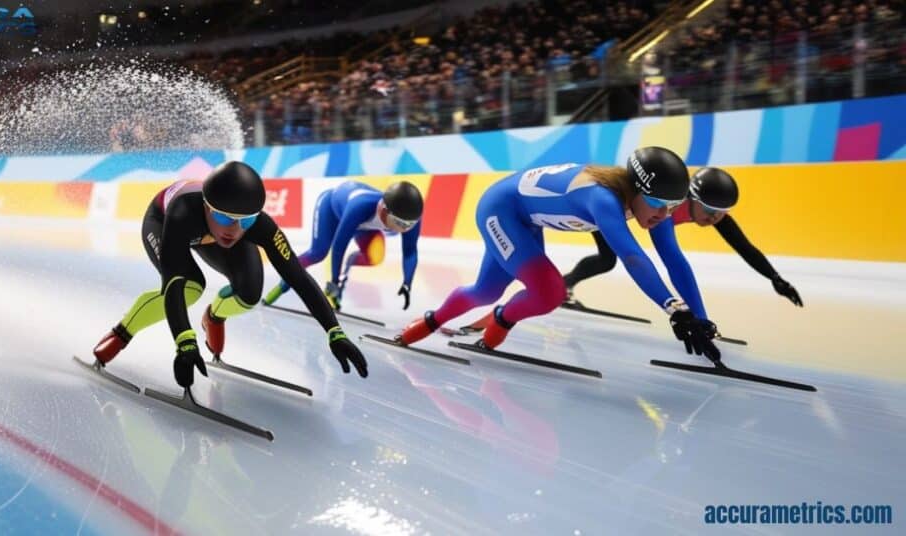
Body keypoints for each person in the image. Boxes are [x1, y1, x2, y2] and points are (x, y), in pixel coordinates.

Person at [397, 147, 722, 362]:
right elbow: (632, 256)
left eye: (674, 207)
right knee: (548, 291)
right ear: (637, 190)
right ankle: (435, 323)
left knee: (487, 289)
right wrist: (675, 309)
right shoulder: (603, 199)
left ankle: (488, 318)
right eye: (658, 204)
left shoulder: (652, 206)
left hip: (525, 216)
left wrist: (702, 317)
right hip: (500, 209)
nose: (664, 214)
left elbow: (674, 261)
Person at [92, 161, 368, 388]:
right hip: (162, 222)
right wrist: (185, 343)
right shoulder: (184, 212)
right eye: (225, 218)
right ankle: (122, 333)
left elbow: (297, 276)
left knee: (249, 293)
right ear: (207, 207)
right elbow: (173, 284)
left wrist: (335, 332)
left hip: (206, 232)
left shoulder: (258, 226)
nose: (234, 230)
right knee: (190, 287)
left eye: (245, 221)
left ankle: (213, 316)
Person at [561, 167, 803, 307]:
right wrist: (696, 317)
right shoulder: (670, 205)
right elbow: (673, 260)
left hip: (624, 210)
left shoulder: (709, 209)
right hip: (607, 206)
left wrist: (775, 278)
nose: (714, 219)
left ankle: (565, 284)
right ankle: (564, 285)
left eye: (721, 213)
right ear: (691, 199)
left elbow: (743, 246)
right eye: (710, 211)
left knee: (607, 259)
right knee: (608, 260)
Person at [263, 180, 423, 311]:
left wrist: (407, 283)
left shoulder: (408, 219)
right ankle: (282, 285)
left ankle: (348, 267)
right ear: (383, 209)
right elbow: (338, 247)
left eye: (407, 225)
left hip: (363, 226)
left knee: (375, 257)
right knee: (318, 253)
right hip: (333, 209)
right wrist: (333, 283)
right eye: (397, 223)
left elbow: (410, 252)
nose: (401, 229)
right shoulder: (360, 206)